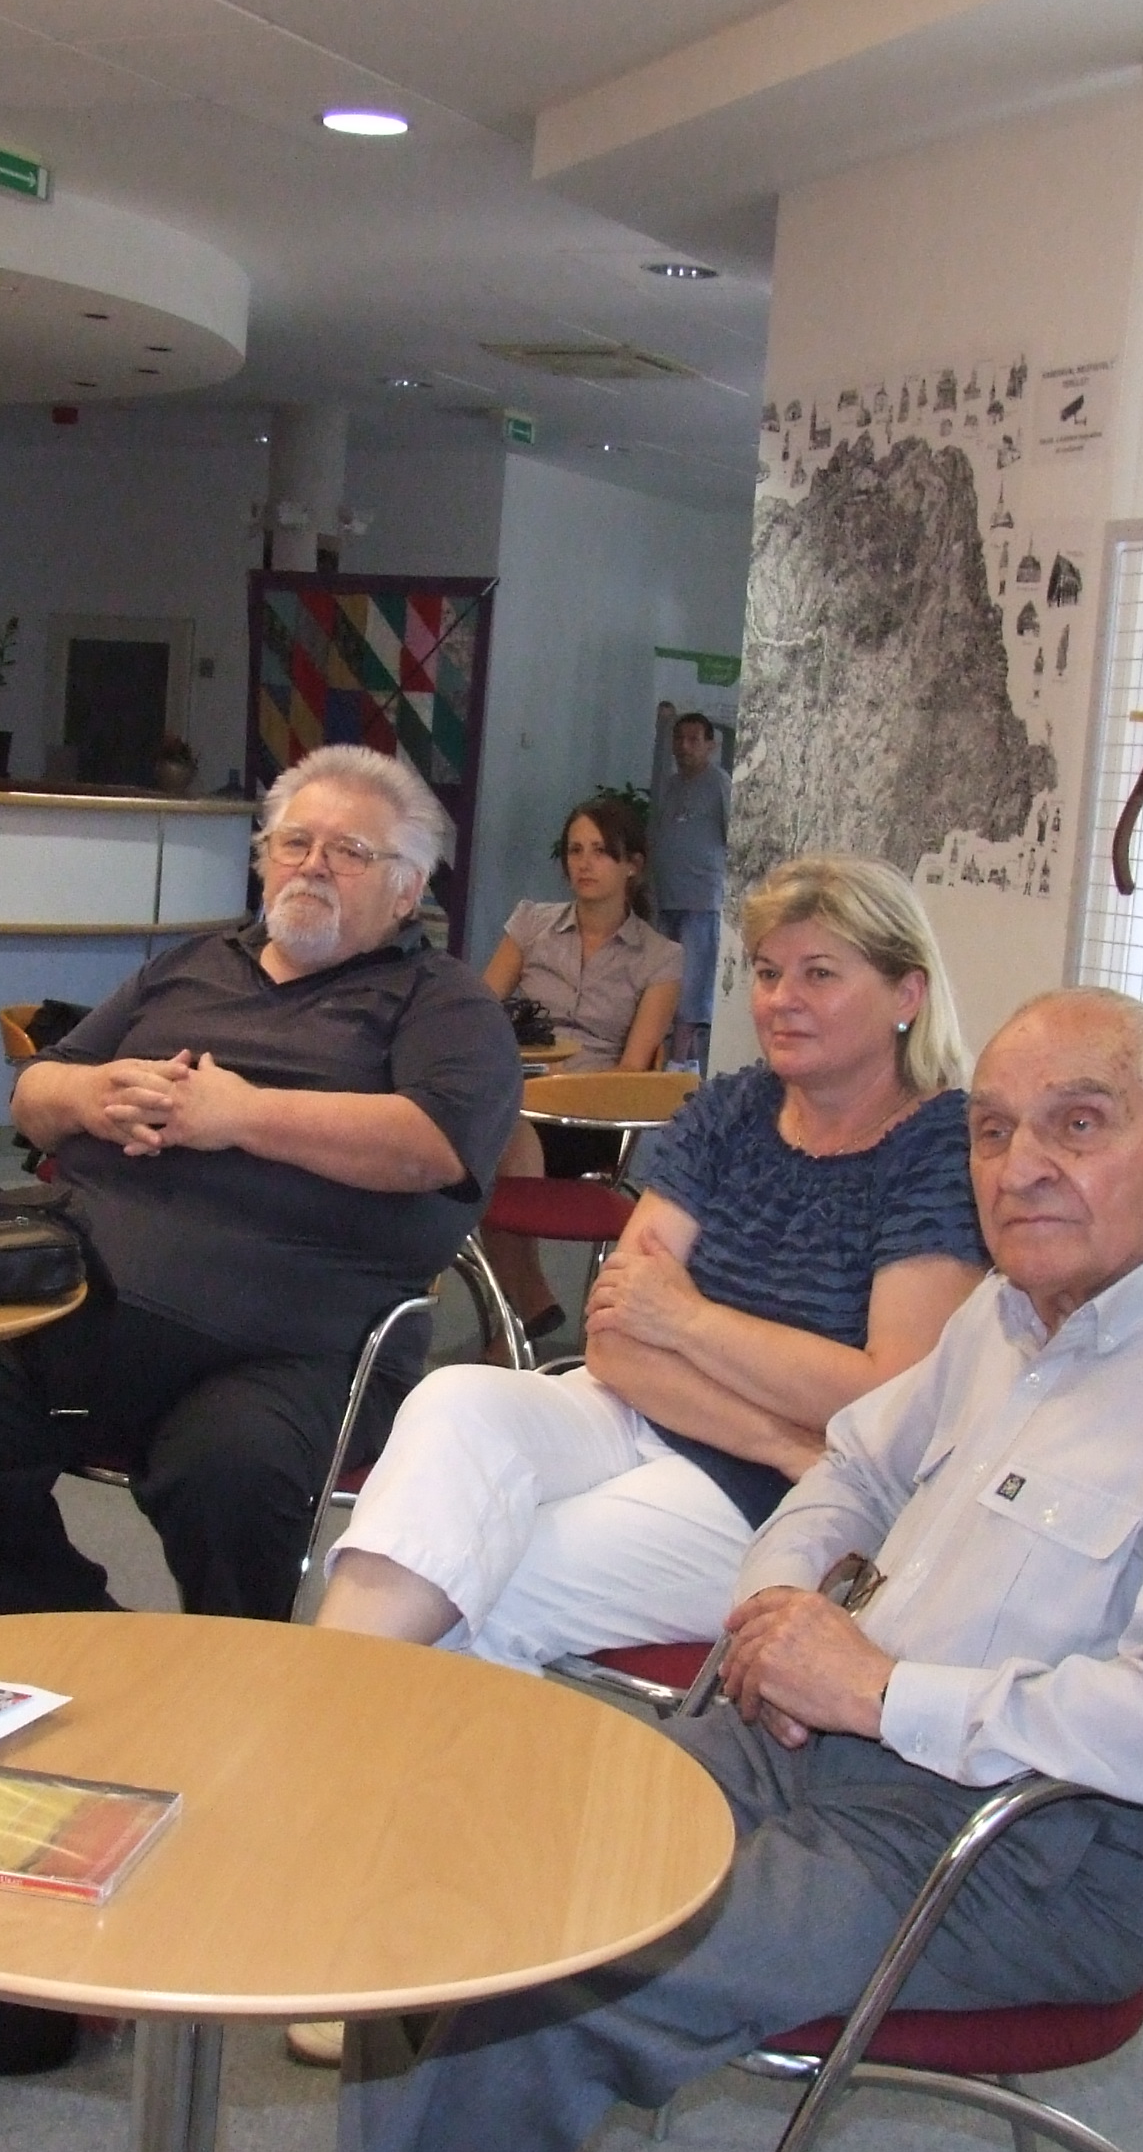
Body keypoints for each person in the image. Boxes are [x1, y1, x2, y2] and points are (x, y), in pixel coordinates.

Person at [50, 988, 1143, 2152]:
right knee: (451, 1867)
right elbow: (849, 1471)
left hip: (1025, 1847)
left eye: (1078, 1125)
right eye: (997, 1132)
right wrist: (774, 1602)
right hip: (805, 1739)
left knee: (581, 1957)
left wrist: (877, 1688)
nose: (1021, 1170)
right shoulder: (1012, 1317)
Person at [0, 745, 520, 1626]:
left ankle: (230, 1688)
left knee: (229, 1476)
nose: (313, 866)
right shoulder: (189, 966)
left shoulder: (444, 1003)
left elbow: (433, 1147)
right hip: (88, 1311)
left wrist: (243, 1115)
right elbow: (33, 1092)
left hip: (295, 1348)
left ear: (408, 890)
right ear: (264, 859)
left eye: (349, 851)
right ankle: (81, 1648)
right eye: (295, 843)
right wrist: (91, 1096)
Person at [311, 853, 988, 1675]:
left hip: (779, 1501)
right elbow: (613, 1338)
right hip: (655, 1416)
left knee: (489, 1580)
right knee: (452, 1404)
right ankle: (324, 1705)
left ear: (906, 995)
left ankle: (331, 1719)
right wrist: (776, 1429)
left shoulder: (941, 1148)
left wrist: (688, 1320)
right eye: (768, 973)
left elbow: (885, 1401)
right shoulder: (735, 1107)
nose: (782, 999)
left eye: (820, 974)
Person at [471, 794, 685, 1338]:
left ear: (632, 865)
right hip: (518, 1096)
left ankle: (517, 1316)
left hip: (592, 1116)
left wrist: (564, 1088)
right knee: (493, 1128)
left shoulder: (660, 957)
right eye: (575, 850)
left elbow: (635, 1068)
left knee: (493, 1136)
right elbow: (477, 1013)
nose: (584, 864)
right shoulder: (531, 924)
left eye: (601, 852)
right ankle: (526, 1306)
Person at [649, 708, 730, 1067]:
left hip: (701, 902)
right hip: (667, 899)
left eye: (694, 740)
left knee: (693, 987)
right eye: (679, 739)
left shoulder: (720, 784)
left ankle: (678, 1064)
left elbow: (735, 840)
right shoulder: (669, 786)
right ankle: (685, 1066)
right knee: (665, 979)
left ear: (710, 745)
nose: (684, 746)